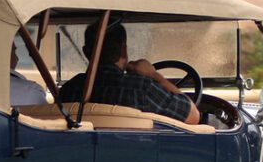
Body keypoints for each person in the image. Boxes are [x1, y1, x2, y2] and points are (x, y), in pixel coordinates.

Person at [59, 19, 200, 124]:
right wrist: (154, 76)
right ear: (124, 50)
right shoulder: (143, 88)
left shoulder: (70, 88)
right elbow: (193, 116)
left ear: (86, 52)